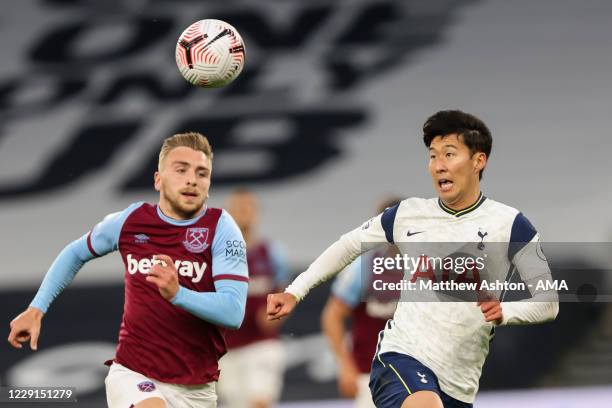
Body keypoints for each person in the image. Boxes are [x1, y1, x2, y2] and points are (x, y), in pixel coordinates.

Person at [267, 110, 559, 408]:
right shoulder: (408, 214)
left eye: (449, 154)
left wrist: (505, 312)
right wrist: (295, 291)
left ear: (478, 161)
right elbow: (349, 245)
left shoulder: (512, 225)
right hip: (401, 358)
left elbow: (548, 302)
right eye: (433, 156)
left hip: (460, 383)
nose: (439, 166)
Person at [8, 132, 249, 408]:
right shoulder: (130, 221)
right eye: (181, 170)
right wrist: (36, 308)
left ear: (209, 185)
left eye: (202, 173)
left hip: (197, 389)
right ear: (158, 179)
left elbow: (233, 312)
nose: (192, 179)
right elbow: (75, 252)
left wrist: (178, 294)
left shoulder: (222, 229)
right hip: (134, 373)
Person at [321, 197, 402, 408]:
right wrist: (346, 366)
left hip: (418, 373)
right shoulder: (363, 267)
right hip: (371, 374)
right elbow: (332, 315)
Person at [217, 188, 289, 408]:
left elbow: (286, 293)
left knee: (260, 403)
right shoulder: (216, 254)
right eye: (239, 208)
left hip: (262, 344)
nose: (244, 213)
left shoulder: (272, 253)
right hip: (227, 348)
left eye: (248, 207)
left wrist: (275, 317)